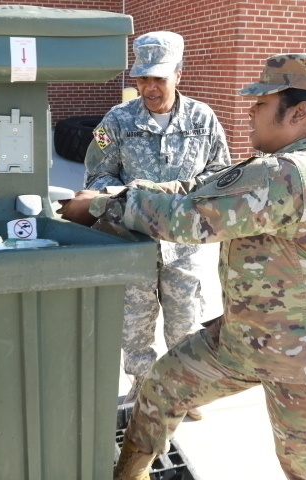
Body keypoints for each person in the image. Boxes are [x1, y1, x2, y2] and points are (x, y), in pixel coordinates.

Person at [58, 52, 306, 480]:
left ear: (298, 112)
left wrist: (106, 207)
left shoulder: (291, 175)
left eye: (261, 102)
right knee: (160, 388)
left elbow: (191, 218)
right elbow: (198, 189)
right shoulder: (266, 169)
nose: (250, 109)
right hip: (246, 341)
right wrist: (113, 194)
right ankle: (129, 474)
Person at [83, 31, 231, 420]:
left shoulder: (203, 119)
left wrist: (179, 193)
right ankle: (142, 386)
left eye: (158, 78)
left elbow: (220, 175)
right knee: (134, 329)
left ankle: (184, 392)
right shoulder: (116, 121)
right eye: (142, 78)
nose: (149, 87)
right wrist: (123, 196)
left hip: (185, 246)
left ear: (179, 74)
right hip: (133, 245)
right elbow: (95, 177)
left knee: (185, 326)